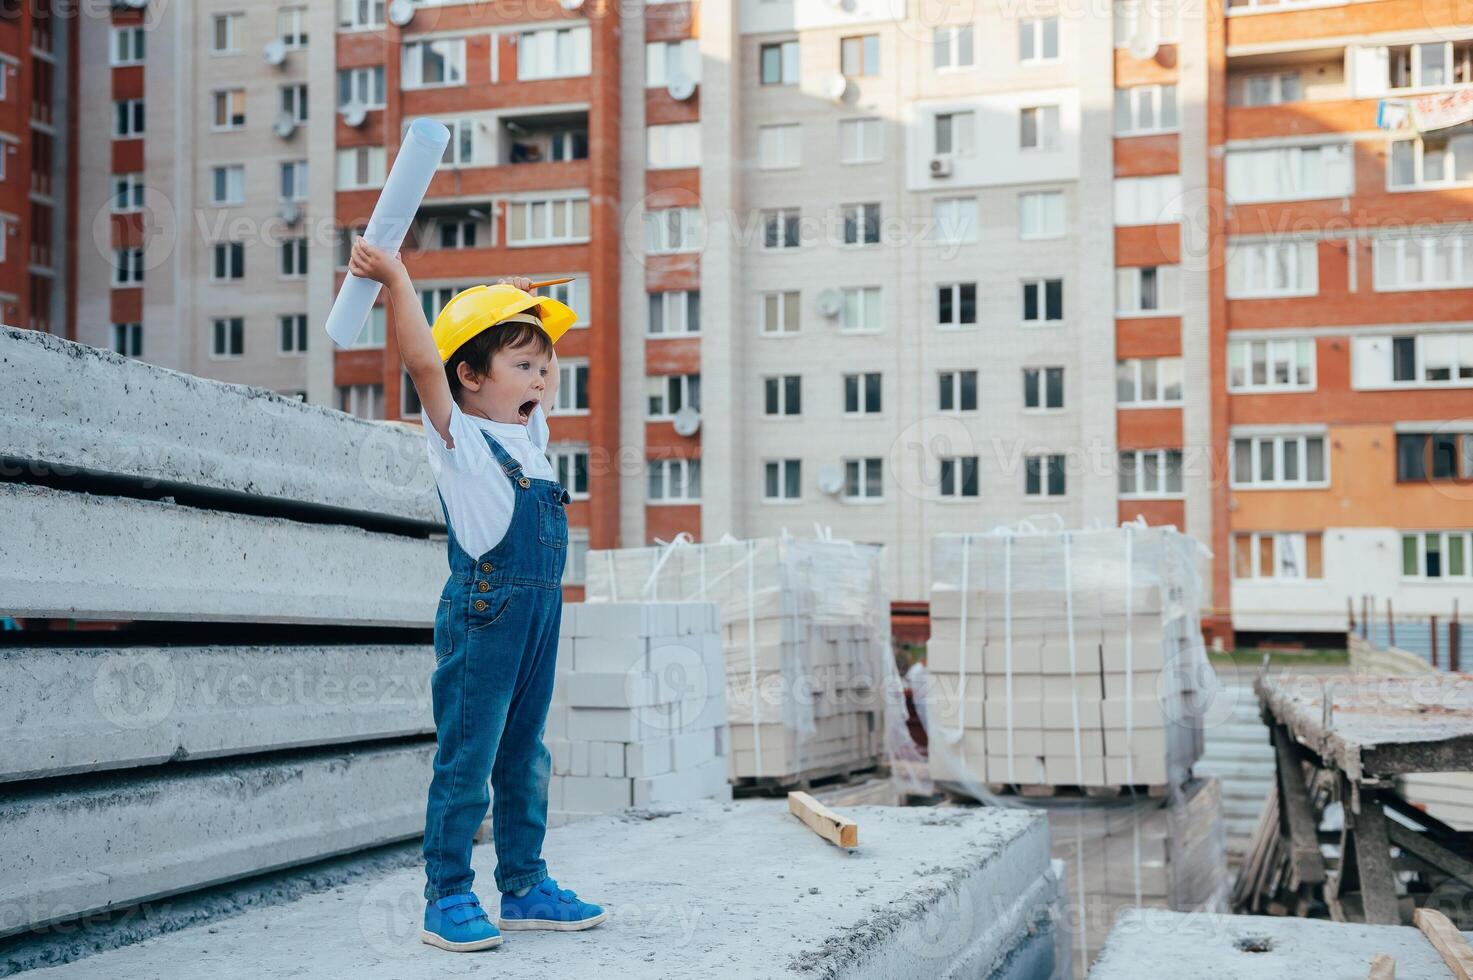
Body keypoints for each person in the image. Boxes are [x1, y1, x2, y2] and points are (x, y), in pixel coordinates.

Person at [348, 238, 605, 953]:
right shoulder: (458, 439)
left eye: (547, 366)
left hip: (538, 620)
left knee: (525, 756)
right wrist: (397, 281)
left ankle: (523, 886)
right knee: (467, 759)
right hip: (484, 620)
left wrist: (516, 305)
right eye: (524, 366)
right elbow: (422, 362)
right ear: (468, 375)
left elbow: (517, 361)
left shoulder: (529, 437)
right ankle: (447, 895)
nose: (543, 378)